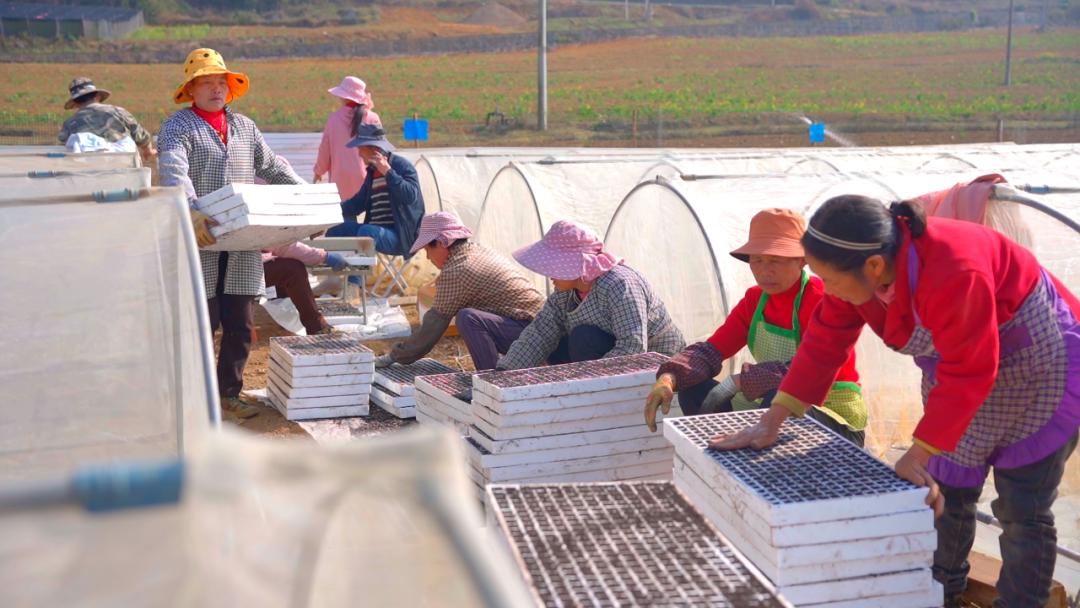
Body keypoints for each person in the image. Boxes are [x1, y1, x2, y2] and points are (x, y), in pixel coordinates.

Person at [709, 195, 1080, 607]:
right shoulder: (861, 267)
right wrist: (774, 419)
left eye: (828, 279)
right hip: (960, 368)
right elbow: (824, 340)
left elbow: (972, 371)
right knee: (946, 486)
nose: (825, 289)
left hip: (1037, 365)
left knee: (1021, 508)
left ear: (872, 267)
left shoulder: (956, 269)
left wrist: (918, 453)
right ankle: (940, 591)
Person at [158, 48, 305, 420]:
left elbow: (272, 166)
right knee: (202, 323)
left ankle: (229, 394)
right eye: (206, 83)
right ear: (191, 89)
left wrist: (308, 198)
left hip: (243, 241)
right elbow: (175, 171)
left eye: (220, 82)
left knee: (240, 324)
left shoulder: (245, 127)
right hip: (202, 238)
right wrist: (191, 210)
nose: (215, 89)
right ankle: (195, 396)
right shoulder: (178, 127)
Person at [643, 208, 866, 445]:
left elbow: (811, 369)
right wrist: (669, 377)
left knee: (778, 395)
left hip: (831, 413)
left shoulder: (821, 298)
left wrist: (741, 380)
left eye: (775, 261)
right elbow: (712, 350)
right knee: (693, 388)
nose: (764, 271)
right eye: (757, 260)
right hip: (771, 403)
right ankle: (718, 457)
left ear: (802, 261)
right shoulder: (755, 299)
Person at [496, 220, 686, 370]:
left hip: (659, 363)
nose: (549, 274)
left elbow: (633, 347)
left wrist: (583, 379)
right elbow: (539, 333)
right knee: (554, 343)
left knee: (583, 337)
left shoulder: (619, 285)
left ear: (576, 264)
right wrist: (504, 373)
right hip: (607, 357)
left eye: (553, 266)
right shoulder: (564, 294)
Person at [374, 212, 545, 370]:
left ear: (442, 243)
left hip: (535, 335)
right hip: (539, 328)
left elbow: (433, 326)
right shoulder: (477, 251)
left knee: (468, 319)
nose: (427, 257)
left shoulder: (458, 269)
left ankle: (490, 382)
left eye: (428, 250)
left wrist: (396, 356)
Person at [326, 124, 424, 258]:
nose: (359, 154)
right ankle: (337, 275)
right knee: (335, 231)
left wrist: (388, 172)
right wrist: (328, 212)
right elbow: (357, 204)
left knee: (366, 232)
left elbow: (410, 196)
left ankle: (356, 279)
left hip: (401, 237)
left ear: (374, 148)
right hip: (374, 230)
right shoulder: (372, 173)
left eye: (361, 148)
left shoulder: (402, 166)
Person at [57, 77, 156, 163]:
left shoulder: (69, 123)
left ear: (75, 103)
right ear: (98, 96)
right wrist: (148, 150)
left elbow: (65, 148)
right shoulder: (118, 112)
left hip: (89, 173)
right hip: (124, 165)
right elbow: (141, 137)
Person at [313, 76, 382, 200]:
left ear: (343, 97)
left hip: (340, 179)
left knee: (347, 214)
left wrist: (319, 172)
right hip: (367, 177)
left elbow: (324, 150)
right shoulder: (373, 118)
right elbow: (380, 149)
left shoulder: (333, 119)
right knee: (369, 215)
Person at [263, 242, 349, 336]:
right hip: (249, 267)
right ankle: (317, 327)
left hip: (251, 264)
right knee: (293, 269)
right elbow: (283, 246)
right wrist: (324, 256)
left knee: (283, 266)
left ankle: (286, 318)